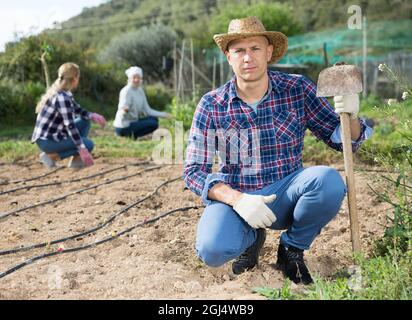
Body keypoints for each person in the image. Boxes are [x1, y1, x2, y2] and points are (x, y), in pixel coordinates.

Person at [183, 17, 373, 284]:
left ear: (269, 52)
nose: (248, 57)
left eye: (255, 48)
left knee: (328, 182)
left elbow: (343, 141)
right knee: (212, 250)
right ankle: (250, 239)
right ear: (228, 56)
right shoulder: (212, 104)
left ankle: (292, 249)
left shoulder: (297, 89)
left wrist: (350, 114)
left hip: (287, 192)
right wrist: (237, 199)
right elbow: (193, 172)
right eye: (239, 50)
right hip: (240, 197)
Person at [32, 62, 107, 169]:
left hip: (52, 135)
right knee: (88, 144)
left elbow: (77, 110)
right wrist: (82, 148)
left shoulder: (64, 92)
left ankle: (76, 161)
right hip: (47, 141)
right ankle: (51, 156)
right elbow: (70, 126)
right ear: (75, 78)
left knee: (85, 121)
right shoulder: (62, 98)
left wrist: (93, 115)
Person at [113, 66, 171, 139]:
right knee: (153, 124)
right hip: (124, 126)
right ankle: (129, 135)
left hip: (133, 122)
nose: (136, 80)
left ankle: (133, 135)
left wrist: (164, 115)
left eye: (139, 77)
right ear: (129, 79)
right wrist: (124, 111)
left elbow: (148, 110)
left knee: (154, 119)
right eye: (134, 77)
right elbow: (123, 107)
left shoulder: (140, 90)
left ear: (141, 79)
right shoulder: (126, 91)